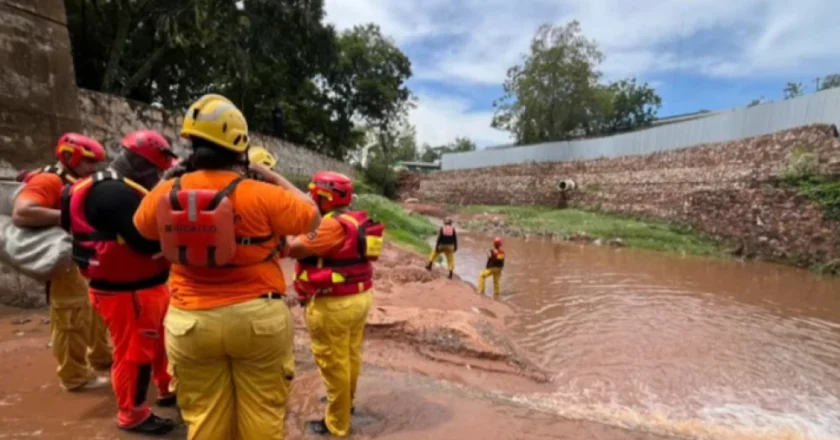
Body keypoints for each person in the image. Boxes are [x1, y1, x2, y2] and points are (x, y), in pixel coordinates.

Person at [132, 94, 320, 440]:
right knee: (262, 414)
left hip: (190, 322)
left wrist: (171, 176)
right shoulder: (261, 194)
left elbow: (141, 226)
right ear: (240, 148)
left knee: (204, 416)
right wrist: (266, 173)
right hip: (257, 319)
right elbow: (311, 214)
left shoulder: (167, 192)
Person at [62, 130, 179, 435]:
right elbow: (144, 243)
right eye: (157, 171)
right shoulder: (116, 194)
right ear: (143, 166)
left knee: (158, 345)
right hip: (129, 293)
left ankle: (166, 389)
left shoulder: (95, 187)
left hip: (139, 286)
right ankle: (132, 414)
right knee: (134, 355)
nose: (158, 177)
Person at [12, 133, 113, 391]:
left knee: (95, 310)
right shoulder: (49, 180)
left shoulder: (75, 180)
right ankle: (75, 376)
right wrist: (71, 217)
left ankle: (100, 357)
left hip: (81, 255)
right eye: (88, 162)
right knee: (71, 315)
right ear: (69, 156)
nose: (93, 168)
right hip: (63, 259)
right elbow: (22, 212)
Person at [286, 171, 384, 437]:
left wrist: (285, 228)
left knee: (333, 362)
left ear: (325, 197)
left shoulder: (329, 226)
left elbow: (293, 249)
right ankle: (345, 403)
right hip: (359, 297)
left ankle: (336, 424)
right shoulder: (354, 218)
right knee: (350, 355)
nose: (309, 196)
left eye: (312, 192)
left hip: (334, 304)